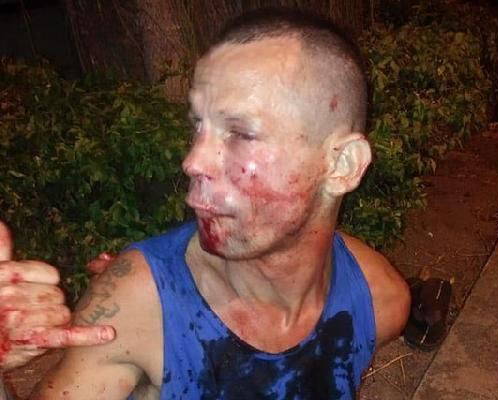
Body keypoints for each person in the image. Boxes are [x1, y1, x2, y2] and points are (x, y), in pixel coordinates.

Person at [0, 8, 410, 399]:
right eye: (199, 125)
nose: (193, 161)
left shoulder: (379, 299)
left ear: (341, 165)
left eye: (241, 133)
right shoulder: (140, 308)